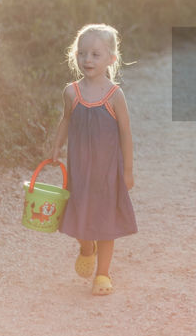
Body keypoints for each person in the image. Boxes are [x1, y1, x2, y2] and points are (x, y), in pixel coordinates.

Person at [49, 24, 137, 296]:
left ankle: (103, 274)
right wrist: (55, 146)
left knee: (106, 222)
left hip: (109, 172)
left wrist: (128, 171)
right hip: (81, 172)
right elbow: (66, 120)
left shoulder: (115, 96)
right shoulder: (72, 93)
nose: (87, 60)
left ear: (111, 58)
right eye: (82, 53)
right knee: (79, 215)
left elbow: (125, 133)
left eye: (96, 54)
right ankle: (87, 247)